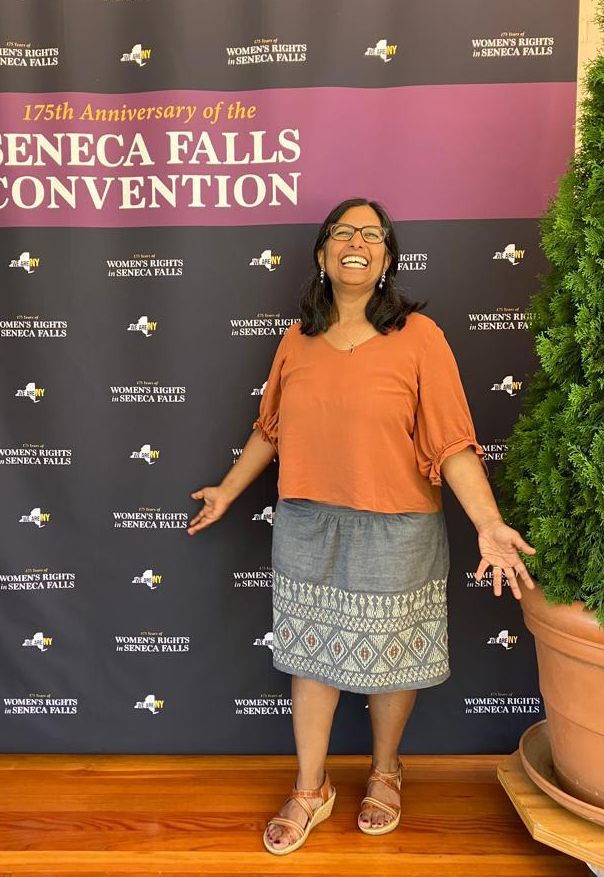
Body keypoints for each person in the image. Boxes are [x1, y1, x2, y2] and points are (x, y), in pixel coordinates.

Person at [187, 197, 537, 856]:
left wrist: (489, 523)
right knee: (309, 660)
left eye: (371, 234)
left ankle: (385, 770)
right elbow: (271, 430)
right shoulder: (297, 339)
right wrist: (230, 491)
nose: (356, 241)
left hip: (397, 524)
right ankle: (311, 787)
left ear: (386, 260)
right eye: (342, 232)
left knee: (388, 663)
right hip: (306, 521)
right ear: (322, 255)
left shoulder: (420, 337)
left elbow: (453, 443)